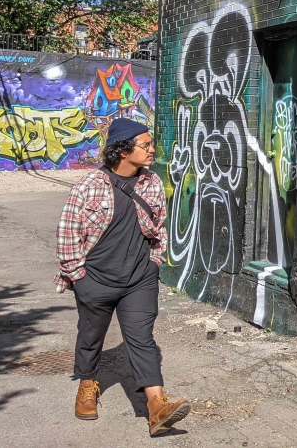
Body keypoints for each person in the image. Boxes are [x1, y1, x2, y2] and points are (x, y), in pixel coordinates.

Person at [54, 118, 190, 436]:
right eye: (145, 144)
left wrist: (155, 262)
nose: (152, 149)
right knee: (91, 338)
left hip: (139, 278)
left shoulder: (152, 182)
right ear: (123, 149)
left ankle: (156, 407)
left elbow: (159, 227)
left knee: (142, 339)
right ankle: (87, 386)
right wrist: (78, 277)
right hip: (96, 279)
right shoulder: (90, 186)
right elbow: (67, 231)